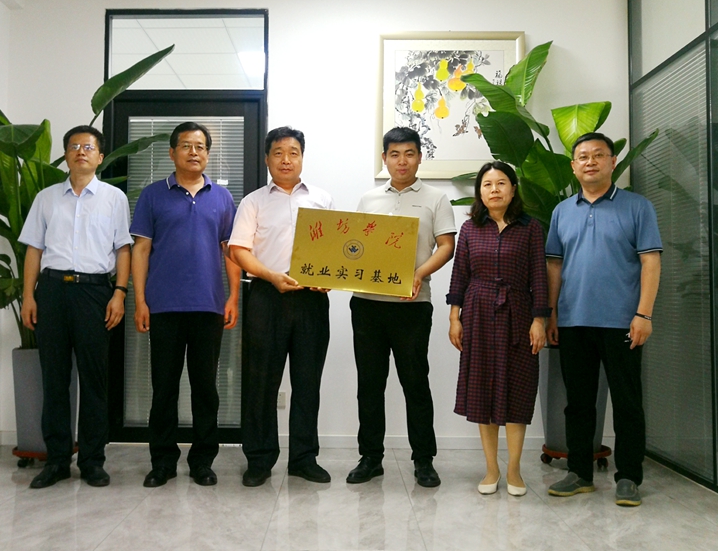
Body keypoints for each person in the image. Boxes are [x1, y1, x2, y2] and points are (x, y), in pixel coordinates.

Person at [546, 132, 662, 507]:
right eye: (583, 156)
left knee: (627, 403)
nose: (590, 161)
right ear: (573, 166)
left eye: (599, 155)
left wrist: (643, 313)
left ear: (613, 162)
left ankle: (628, 476)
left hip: (623, 322)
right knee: (578, 403)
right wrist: (552, 313)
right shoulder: (562, 211)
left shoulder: (638, 207)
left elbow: (650, 261)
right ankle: (579, 473)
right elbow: (554, 266)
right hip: (573, 321)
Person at [19, 125, 132, 489]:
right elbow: (34, 249)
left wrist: (119, 293)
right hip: (52, 291)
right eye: (74, 146)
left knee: (94, 380)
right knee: (54, 379)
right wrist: (29, 296)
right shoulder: (46, 198)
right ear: (66, 154)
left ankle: (93, 461)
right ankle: (56, 461)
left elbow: (123, 249)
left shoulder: (114, 198)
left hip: (95, 293)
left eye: (88, 146)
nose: (81, 151)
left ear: (100, 156)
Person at [130, 122, 240, 488]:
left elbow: (230, 252)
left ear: (207, 153)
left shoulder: (222, 197)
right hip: (163, 307)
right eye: (186, 146)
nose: (194, 152)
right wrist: (140, 301)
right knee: (164, 388)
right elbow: (141, 250)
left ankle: (202, 461)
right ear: (172, 152)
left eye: (201, 146)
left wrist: (233, 296)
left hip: (209, 307)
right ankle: (162, 462)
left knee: (206, 389)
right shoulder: (153, 195)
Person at [346, 126, 456, 488]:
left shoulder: (436, 199)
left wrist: (418, 274)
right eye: (394, 154)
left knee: (415, 383)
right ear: (384, 159)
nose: (402, 161)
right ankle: (370, 458)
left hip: (412, 305)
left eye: (409, 153)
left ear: (419, 157)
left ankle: (423, 460)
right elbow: (356, 246)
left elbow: (446, 246)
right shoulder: (368, 199)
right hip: (367, 305)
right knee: (369, 385)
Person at [228, 126, 334, 487]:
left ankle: (304, 458)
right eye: (278, 152)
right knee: (260, 381)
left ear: (302, 157)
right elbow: (238, 250)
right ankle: (259, 460)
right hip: (266, 296)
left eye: (293, 152)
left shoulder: (322, 199)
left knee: (307, 381)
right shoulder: (253, 202)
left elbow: (336, 249)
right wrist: (272, 276)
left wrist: (328, 277)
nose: (286, 159)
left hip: (311, 299)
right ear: (267, 159)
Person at [447, 161, 549, 497]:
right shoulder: (470, 229)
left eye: (501, 183)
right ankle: (491, 469)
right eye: (488, 184)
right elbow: (460, 275)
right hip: (477, 313)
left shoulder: (530, 229)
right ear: (480, 192)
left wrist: (539, 320)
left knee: (518, 390)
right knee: (483, 391)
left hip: (518, 313)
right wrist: (454, 317)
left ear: (513, 189)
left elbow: (539, 276)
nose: (494, 190)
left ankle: (514, 469)